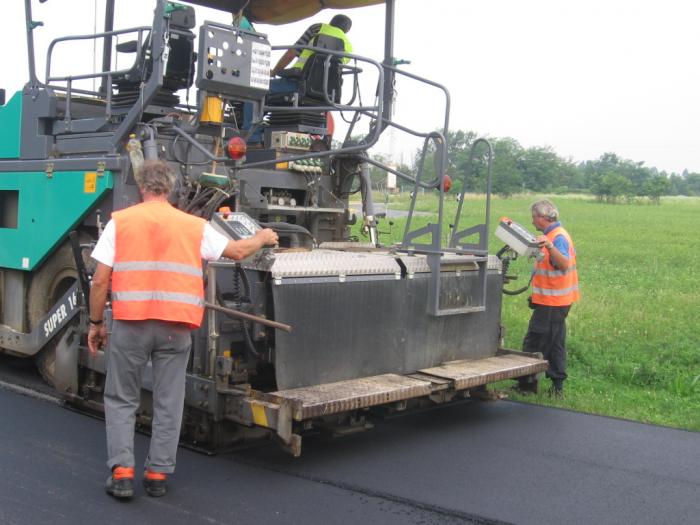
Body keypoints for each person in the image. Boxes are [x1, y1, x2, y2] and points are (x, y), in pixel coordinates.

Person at [88, 160, 278, 499]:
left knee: (121, 398)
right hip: (176, 328)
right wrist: (262, 237)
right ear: (171, 188)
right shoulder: (194, 226)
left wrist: (96, 323)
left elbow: (100, 280)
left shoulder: (121, 223)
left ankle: (122, 473)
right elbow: (236, 251)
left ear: (141, 186)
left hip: (132, 325)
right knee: (169, 401)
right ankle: (158, 475)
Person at [522, 199, 579, 397]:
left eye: (534, 217)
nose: (532, 221)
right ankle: (557, 388)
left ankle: (526, 385)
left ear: (542, 217)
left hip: (554, 302)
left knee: (534, 342)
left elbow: (563, 264)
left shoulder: (557, 238)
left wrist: (549, 246)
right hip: (552, 301)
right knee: (555, 343)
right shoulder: (553, 235)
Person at [270, 14, 353, 79]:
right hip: (329, 92)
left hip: (298, 78)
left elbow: (291, 54)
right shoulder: (349, 47)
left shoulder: (318, 28)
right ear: (347, 30)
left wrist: (274, 72)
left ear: (330, 22)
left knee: (266, 91)